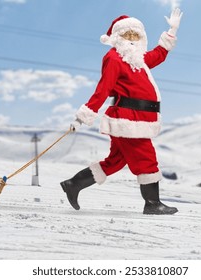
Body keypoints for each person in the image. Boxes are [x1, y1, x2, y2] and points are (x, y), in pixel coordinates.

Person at [60, 8, 183, 215]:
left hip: (137, 120)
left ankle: (74, 184)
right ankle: (152, 204)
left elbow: (159, 54)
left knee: (116, 160)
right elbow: (103, 89)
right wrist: (83, 117)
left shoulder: (138, 59)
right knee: (146, 158)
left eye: (136, 35)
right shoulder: (114, 58)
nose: (132, 39)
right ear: (118, 37)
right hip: (128, 121)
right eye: (127, 35)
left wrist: (171, 30)